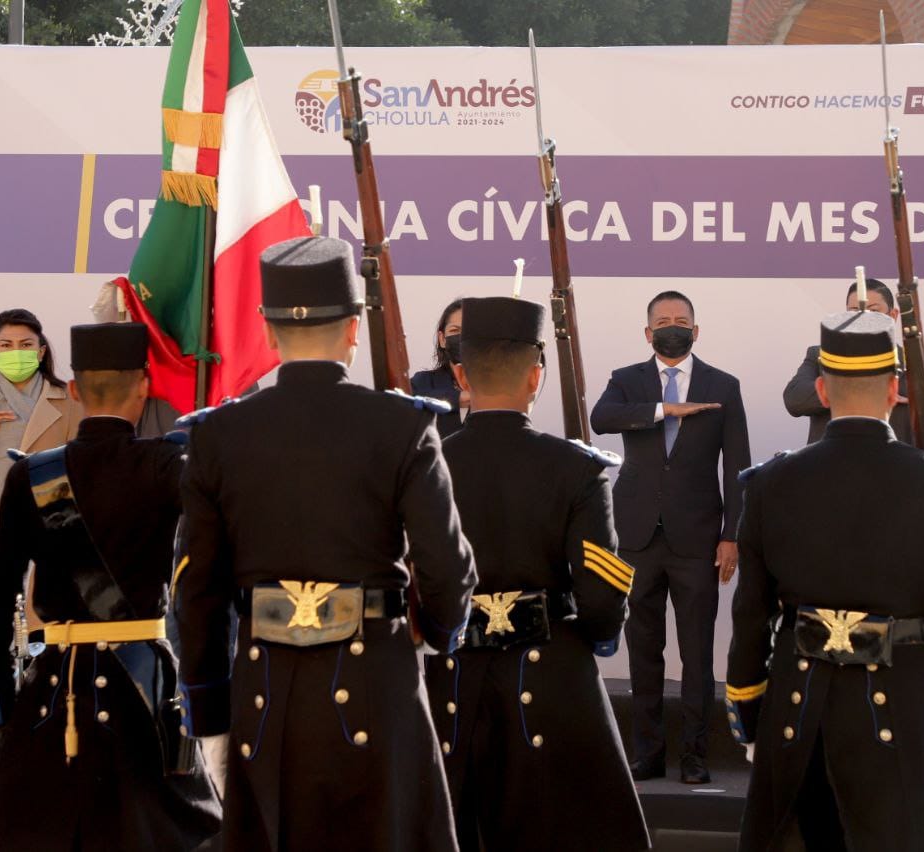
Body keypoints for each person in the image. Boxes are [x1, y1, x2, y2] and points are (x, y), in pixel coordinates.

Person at [175, 236, 477, 851]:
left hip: (265, 689)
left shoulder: (218, 435)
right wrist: (442, 635)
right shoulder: (405, 425)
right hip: (379, 681)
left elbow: (196, 590)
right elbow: (445, 566)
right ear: (354, 329)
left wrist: (209, 710)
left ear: (267, 329)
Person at [726, 309, 924, 851]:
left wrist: (752, 708)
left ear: (823, 391)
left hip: (800, 710)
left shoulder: (770, 483)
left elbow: (751, 615)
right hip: (906, 703)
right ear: (895, 390)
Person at [425, 296, 649, 851]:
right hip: (551, 682)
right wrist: (594, 640)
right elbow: (600, 598)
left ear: (460, 376)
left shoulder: (425, 464)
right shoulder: (578, 467)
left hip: (450, 679)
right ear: (536, 377)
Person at [0, 322, 221, 850]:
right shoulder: (170, 465)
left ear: (73, 389)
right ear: (144, 386)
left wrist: (6, 704)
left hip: (53, 693)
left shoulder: (27, 477)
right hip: (147, 689)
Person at [590, 290, 751, 784]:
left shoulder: (723, 385)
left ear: (696, 331)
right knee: (643, 650)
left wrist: (732, 536)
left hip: (699, 539)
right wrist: (666, 410)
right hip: (637, 537)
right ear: (648, 332)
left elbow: (737, 466)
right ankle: (648, 754)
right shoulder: (626, 381)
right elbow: (601, 419)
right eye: (663, 321)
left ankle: (695, 757)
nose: (673, 326)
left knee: (698, 654)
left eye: (682, 320)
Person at [782, 277, 924, 452]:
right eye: (854, 311)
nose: (862, 318)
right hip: (831, 471)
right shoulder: (821, 357)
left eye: (873, 311)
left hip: (897, 472)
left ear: (892, 316)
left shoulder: (922, 369)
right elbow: (794, 399)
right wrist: (859, 389)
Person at [0, 308, 84, 500]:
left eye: (26, 344)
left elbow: (81, 464)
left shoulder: (70, 399)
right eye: (6, 345)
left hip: (48, 512)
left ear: (41, 352)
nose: (16, 352)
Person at [411, 299, 466, 439]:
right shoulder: (423, 382)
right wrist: (458, 398)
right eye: (455, 330)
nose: (462, 337)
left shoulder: (494, 388)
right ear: (442, 339)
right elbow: (403, 403)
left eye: (469, 331)